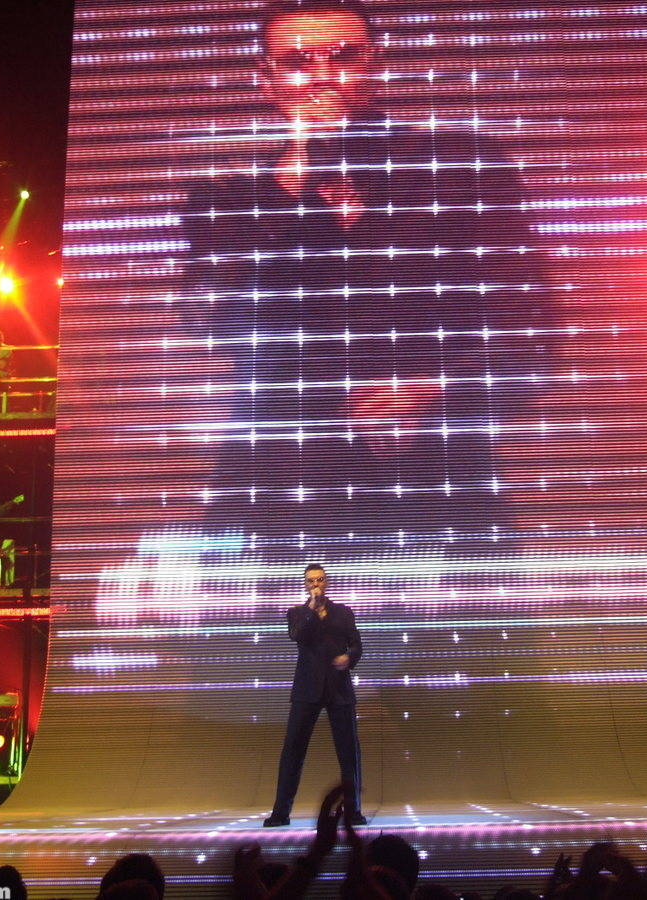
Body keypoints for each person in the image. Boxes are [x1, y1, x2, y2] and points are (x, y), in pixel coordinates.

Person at [186, 0, 552, 566]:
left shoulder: (459, 167)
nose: (322, 75)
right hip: (277, 493)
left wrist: (434, 385)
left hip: (432, 488)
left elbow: (525, 327)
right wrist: (291, 185)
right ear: (266, 78)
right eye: (297, 61)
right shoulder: (228, 198)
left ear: (373, 64)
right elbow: (220, 325)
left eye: (342, 56)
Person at [265, 564, 365, 826]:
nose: (316, 584)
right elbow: (296, 635)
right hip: (307, 688)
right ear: (305, 584)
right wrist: (312, 608)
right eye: (311, 581)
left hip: (338, 687)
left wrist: (349, 657)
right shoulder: (297, 613)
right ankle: (280, 812)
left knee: (349, 751)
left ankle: (353, 810)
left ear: (326, 582)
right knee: (293, 750)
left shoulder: (343, 612)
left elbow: (356, 644)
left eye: (319, 580)